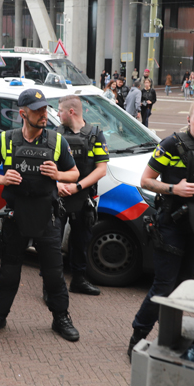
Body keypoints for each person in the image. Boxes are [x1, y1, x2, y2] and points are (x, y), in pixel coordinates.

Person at [0, 89, 81, 342]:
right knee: (9, 273)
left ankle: (61, 318)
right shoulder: (6, 140)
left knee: (54, 274)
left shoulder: (58, 141)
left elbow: (75, 174)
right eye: (38, 110)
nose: (44, 114)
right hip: (15, 217)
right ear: (23, 113)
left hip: (48, 217)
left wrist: (58, 175)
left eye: (45, 109)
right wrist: (1, 178)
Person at [128, 99, 194, 355]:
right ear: (189, 120)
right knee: (163, 285)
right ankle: (138, 335)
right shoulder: (171, 145)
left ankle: (169, 333)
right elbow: (146, 181)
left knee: (183, 285)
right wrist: (174, 189)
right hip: (170, 224)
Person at [54, 95, 109, 296]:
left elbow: (101, 169)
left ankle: (78, 281)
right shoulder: (55, 134)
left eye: (59, 110)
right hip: (58, 196)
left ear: (71, 112)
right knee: (52, 242)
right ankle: (51, 285)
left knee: (80, 241)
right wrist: (58, 185)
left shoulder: (95, 135)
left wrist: (77, 187)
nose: (57, 114)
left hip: (83, 197)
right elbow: (48, 166)